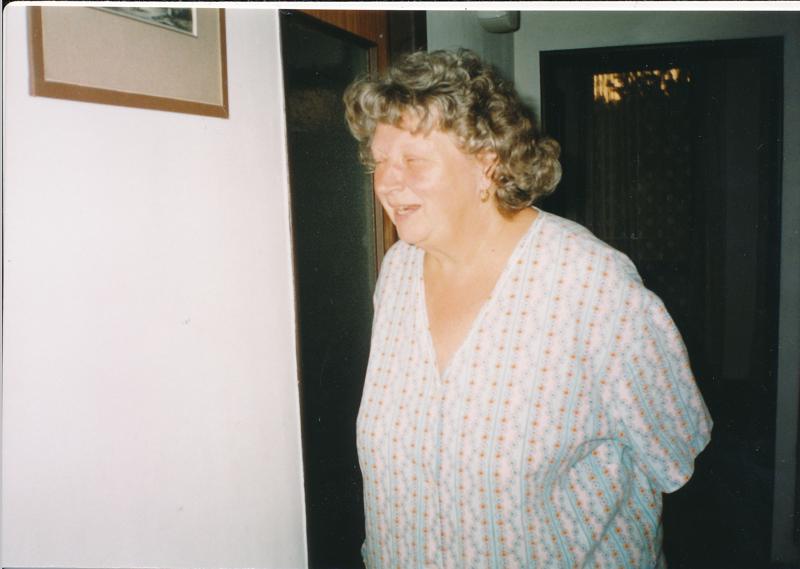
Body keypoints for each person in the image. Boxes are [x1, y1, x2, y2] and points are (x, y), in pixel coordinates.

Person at [344, 49, 711, 569]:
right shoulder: (398, 272)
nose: (386, 181)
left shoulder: (590, 284)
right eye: (379, 160)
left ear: (486, 162)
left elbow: (676, 451)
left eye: (413, 160)